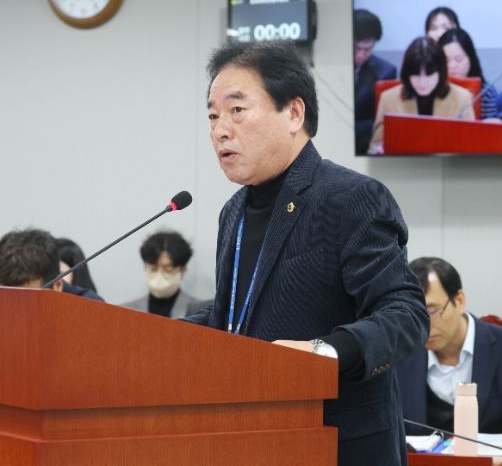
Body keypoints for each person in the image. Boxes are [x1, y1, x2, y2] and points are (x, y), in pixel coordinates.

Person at [187, 40, 428, 466]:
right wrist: (150, 336)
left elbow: (405, 313)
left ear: (294, 113)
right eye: (212, 116)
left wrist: (326, 352)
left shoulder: (351, 197)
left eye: (237, 110)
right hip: (253, 440)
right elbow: (234, 315)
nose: (220, 130)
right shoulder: (234, 212)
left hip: (337, 445)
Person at [397, 257, 502, 435]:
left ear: (459, 301)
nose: (423, 325)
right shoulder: (401, 355)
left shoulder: (498, 345)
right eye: (413, 313)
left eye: (432, 311)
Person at [368, 36, 475, 154]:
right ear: (407, 74)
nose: (422, 82)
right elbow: (374, 146)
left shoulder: (462, 98)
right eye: (416, 75)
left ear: (441, 72)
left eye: (429, 75)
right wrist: (379, 150)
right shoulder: (388, 98)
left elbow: (470, 146)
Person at [0, 228, 102, 301]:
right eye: (5, 297)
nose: (14, 308)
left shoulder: (93, 309)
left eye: (27, 298)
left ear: (57, 286)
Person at [122, 231, 201, 319]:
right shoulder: (123, 312)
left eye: (168, 270)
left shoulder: (200, 313)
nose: (159, 275)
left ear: (182, 270)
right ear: (145, 266)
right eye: (153, 269)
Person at [353, 9, 397, 155]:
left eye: (367, 49)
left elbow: (384, 120)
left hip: (366, 149)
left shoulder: (386, 72)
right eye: (356, 48)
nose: (360, 55)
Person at [438, 27, 501, 119]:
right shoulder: (434, 89)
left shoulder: (486, 92)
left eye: (458, 59)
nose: (452, 65)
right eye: (446, 60)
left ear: (471, 58)